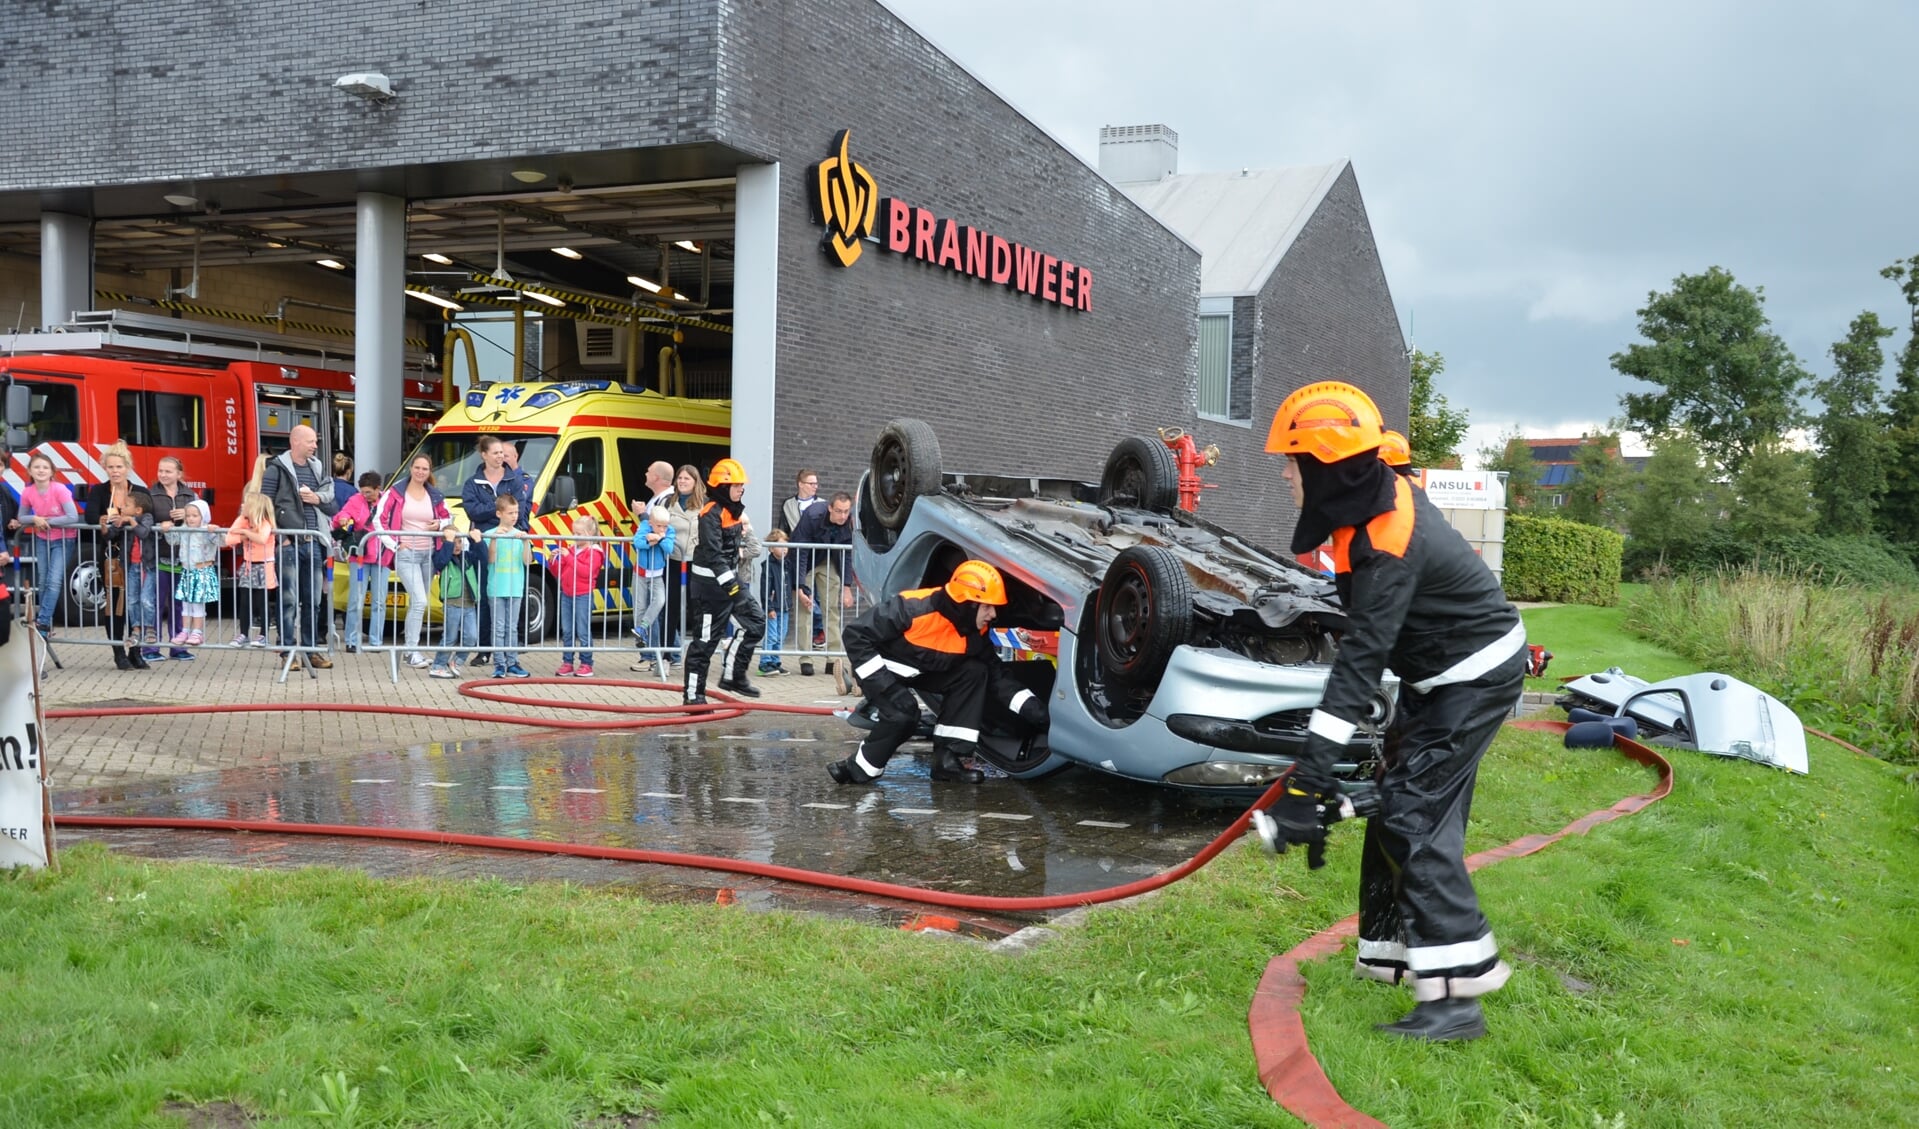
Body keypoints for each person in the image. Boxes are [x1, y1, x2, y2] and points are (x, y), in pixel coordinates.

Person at [1256, 380, 1527, 1043]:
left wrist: (1305, 783)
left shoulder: (1386, 541)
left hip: (1472, 677)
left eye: (1292, 463)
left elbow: (1356, 668)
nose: (1286, 475)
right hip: (1437, 674)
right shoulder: (1367, 508)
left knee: (1410, 813)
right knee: (1397, 805)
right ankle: (1390, 956)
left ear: (1324, 463)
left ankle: (1456, 1001)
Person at [825, 559, 1014, 786]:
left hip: (923, 668)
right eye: (987, 606)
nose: (993, 614)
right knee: (903, 714)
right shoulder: (911, 608)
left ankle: (947, 762)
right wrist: (888, 689)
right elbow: (855, 635)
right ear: (968, 603)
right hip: (883, 669)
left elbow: (995, 673)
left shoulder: (973, 626)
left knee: (974, 672)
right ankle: (858, 768)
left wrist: (1037, 713)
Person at [680, 458, 764, 704]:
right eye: (736, 485)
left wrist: (734, 584)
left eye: (741, 486)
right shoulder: (710, 513)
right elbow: (715, 555)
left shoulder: (733, 512)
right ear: (722, 486)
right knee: (704, 644)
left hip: (729, 583)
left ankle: (733, 676)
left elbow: (731, 552)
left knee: (755, 623)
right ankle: (694, 698)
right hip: (709, 590)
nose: (741, 489)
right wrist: (733, 586)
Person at [258, 424, 338, 669]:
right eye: (311, 441)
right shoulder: (276, 470)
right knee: (289, 599)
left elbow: (331, 506)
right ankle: (288, 652)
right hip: (288, 542)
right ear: (295, 441)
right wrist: (279, 535)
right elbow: (264, 504)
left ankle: (310, 649)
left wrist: (317, 499)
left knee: (312, 601)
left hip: (313, 541)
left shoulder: (318, 469)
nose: (315, 446)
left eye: (315, 441)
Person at [462, 434, 533, 664]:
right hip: (484, 544)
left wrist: (502, 516)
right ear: (484, 455)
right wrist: (498, 511)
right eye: (496, 453)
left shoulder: (514, 479)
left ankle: (510, 653)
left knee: (511, 595)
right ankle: (485, 650)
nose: (500, 457)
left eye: (502, 453)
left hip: (510, 543)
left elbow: (519, 510)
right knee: (485, 595)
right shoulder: (472, 483)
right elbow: (473, 511)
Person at [377, 454, 453, 669]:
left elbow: (449, 518)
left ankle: (413, 649)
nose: (420, 472)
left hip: (428, 554)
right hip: (406, 554)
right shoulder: (395, 493)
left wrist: (438, 524)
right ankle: (412, 651)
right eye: (417, 468)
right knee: (420, 601)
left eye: (425, 469)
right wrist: (394, 544)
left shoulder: (435, 494)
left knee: (417, 603)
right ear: (410, 469)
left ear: (430, 472)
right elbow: (379, 520)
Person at [84, 442, 155, 671]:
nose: (115, 471)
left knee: (136, 605)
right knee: (115, 604)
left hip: (136, 556)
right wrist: (105, 519)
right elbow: (90, 516)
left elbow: (150, 516)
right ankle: (118, 652)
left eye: (119, 467)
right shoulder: (100, 491)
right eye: (110, 467)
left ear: (128, 467)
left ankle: (136, 651)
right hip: (111, 555)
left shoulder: (141, 491)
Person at [8, 451, 80, 637]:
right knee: (42, 580)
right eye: (37, 467)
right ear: (30, 471)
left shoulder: (60, 489)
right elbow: (22, 516)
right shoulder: (28, 492)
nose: (41, 470)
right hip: (42, 539)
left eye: (45, 467)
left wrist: (45, 521)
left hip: (64, 538)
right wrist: (34, 518)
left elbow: (72, 516)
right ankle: (45, 624)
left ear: (52, 472)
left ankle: (43, 622)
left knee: (54, 580)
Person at [791, 491, 856, 692]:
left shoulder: (849, 522)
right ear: (830, 508)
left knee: (832, 609)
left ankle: (834, 659)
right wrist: (799, 586)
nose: (843, 516)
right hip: (807, 562)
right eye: (839, 511)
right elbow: (800, 551)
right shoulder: (812, 516)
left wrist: (847, 587)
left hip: (830, 561)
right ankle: (806, 659)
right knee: (805, 608)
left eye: (846, 511)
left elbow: (847, 555)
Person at [147, 456, 199, 661]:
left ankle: (178, 647)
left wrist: (186, 517)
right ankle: (151, 648)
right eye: (160, 471)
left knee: (180, 603)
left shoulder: (189, 494)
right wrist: (161, 524)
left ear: (179, 474)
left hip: (183, 556)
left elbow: (200, 518)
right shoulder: (152, 493)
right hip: (158, 555)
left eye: (168, 471)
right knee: (156, 602)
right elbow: (146, 518)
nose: (163, 475)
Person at [333, 471, 389, 653]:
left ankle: (376, 641)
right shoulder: (356, 500)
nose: (365, 495)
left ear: (378, 489)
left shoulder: (387, 502)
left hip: (381, 556)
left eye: (369, 492)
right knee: (355, 599)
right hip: (360, 556)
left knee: (379, 601)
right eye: (363, 492)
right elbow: (341, 516)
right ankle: (351, 639)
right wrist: (341, 519)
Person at [629, 460, 678, 655]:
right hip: (643, 571)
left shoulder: (666, 501)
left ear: (656, 476)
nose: (645, 473)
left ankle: (655, 654)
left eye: (648, 471)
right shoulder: (657, 501)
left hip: (657, 572)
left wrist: (658, 536)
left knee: (658, 606)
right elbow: (639, 540)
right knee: (646, 608)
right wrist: (648, 537)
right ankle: (663, 652)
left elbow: (668, 544)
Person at [548, 513, 605, 677]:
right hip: (567, 594)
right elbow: (559, 572)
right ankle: (567, 662)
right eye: (573, 533)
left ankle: (587, 663)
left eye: (578, 534)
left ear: (589, 534)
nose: (574, 537)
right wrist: (553, 560)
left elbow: (586, 572)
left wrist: (569, 557)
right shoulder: (573, 550)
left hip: (583, 595)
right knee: (567, 630)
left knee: (583, 630)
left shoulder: (595, 552)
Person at [484, 494, 532, 679]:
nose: (514, 516)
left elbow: (527, 561)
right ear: (499, 514)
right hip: (496, 587)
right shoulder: (490, 534)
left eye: (516, 512)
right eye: (510, 512)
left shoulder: (520, 535)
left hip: (515, 587)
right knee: (498, 626)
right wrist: (495, 539)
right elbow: (491, 559)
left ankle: (512, 662)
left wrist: (526, 541)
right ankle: (499, 664)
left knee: (512, 627)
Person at [428, 521, 483, 681]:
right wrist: (448, 542)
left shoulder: (467, 557)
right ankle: (438, 666)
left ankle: (457, 662)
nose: (456, 546)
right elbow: (440, 562)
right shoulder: (442, 556)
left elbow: (483, 557)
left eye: (459, 541)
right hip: (452, 603)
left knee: (471, 637)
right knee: (450, 637)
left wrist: (477, 541)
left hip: (469, 604)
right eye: (453, 542)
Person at [626, 505, 677, 677]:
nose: (663, 529)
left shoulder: (669, 531)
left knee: (660, 601)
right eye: (659, 526)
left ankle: (642, 628)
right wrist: (649, 541)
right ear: (651, 522)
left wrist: (659, 538)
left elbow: (670, 548)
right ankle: (641, 642)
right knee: (639, 606)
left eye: (665, 526)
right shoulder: (644, 526)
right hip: (640, 574)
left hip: (657, 576)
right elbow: (637, 543)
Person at [225, 490, 278, 648]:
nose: (242, 506)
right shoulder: (243, 520)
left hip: (264, 566)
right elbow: (229, 538)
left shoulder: (266, 522)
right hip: (248, 565)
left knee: (262, 602)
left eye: (246, 504)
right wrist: (244, 535)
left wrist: (245, 532)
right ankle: (243, 633)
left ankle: (263, 634)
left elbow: (261, 538)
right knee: (245, 601)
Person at [664, 463, 704, 654]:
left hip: (695, 563)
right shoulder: (668, 503)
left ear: (695, 482)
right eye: (680, 478)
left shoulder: (705, 505)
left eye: (687, 478)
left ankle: (696, 654)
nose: (682, 481)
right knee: (670, 608)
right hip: (673, 561)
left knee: (696, 609)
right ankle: (666, 655)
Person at [168, 500, 219, 646]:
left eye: (195, 515)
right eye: (188, 515)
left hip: (201, 570)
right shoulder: (184, 529)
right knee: (185, 603)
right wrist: (167, 529)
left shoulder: (207, 530)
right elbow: (173, 540)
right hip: (187, 570)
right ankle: (185, 630)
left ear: (203, 516)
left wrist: (214, 531)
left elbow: (222, 542)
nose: (190, 518)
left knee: (197, 603)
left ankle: (197, 632)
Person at [757, 529, 792, 678]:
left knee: (781, 635)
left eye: (786, 546)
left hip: (785, 607)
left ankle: (775, 662)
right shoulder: (768, 565)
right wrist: (769, 607)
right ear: (771, 548)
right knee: (772, 635)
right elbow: (765, 589)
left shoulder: (788, 564)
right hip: (774, 607)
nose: (784, 549)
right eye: (780, 546)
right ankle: (765, 662)